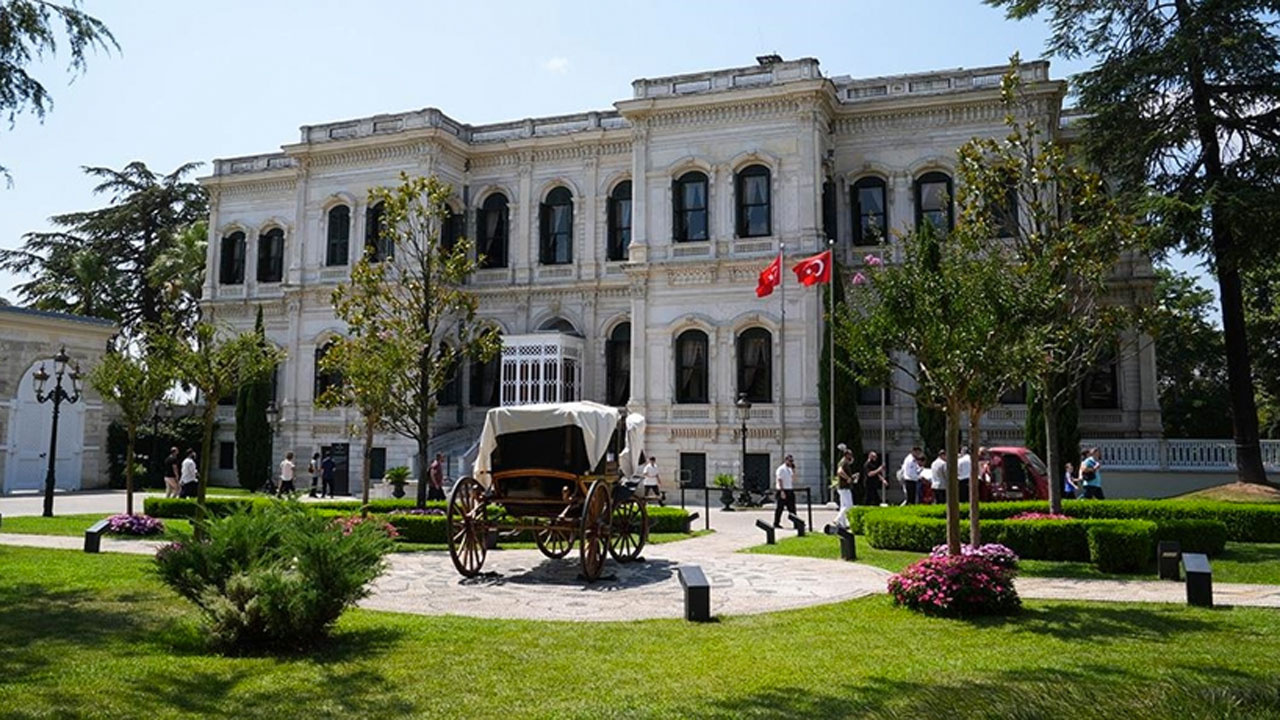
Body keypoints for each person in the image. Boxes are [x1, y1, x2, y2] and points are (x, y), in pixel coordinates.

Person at [830, 449, 856, 531]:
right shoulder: (843, 462)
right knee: (848, 505)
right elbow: (839, 471)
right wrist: (848, 478)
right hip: (844, 488)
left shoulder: (844, 462)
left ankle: (843, 524)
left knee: (843, 506)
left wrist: (852, 477)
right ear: (846, 455)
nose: (851, 456)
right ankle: (837, 519)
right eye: (850, 455)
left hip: (843, 487)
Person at [772, 454, 797, 528]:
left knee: (792, 508)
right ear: (786, 460)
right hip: (782, 490)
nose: (791, 462)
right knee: (780, 508)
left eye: (792, 461)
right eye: (790, 461)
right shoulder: (781, 469)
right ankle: (776, 523)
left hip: (789, 489)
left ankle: (796, 523)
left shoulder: (790, 469)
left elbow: (794, 479)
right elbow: (780, 480)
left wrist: (793, 469)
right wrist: (782, 491)